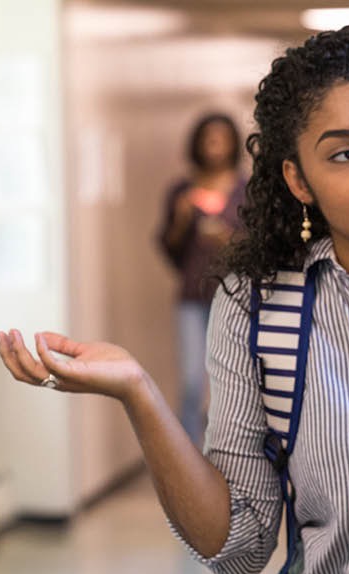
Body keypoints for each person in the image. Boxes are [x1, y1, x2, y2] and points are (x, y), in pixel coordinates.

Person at [0, 26, 349, 574]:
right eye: (345, 153)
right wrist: (137, 391)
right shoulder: (260, 307)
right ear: (299, 180)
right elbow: (239, 549)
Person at [157, 112, 247, 448]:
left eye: (221, 137)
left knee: (233, 380)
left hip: (235, 297)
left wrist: (228, 239)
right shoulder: (181, 191)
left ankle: (229, 453)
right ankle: (188, 456)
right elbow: (168, 249)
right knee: (193, 380)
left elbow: (259, 245)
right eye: (208, 138)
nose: (214, 145)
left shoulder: (247, 189)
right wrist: (182, 220)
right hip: (192, 297)